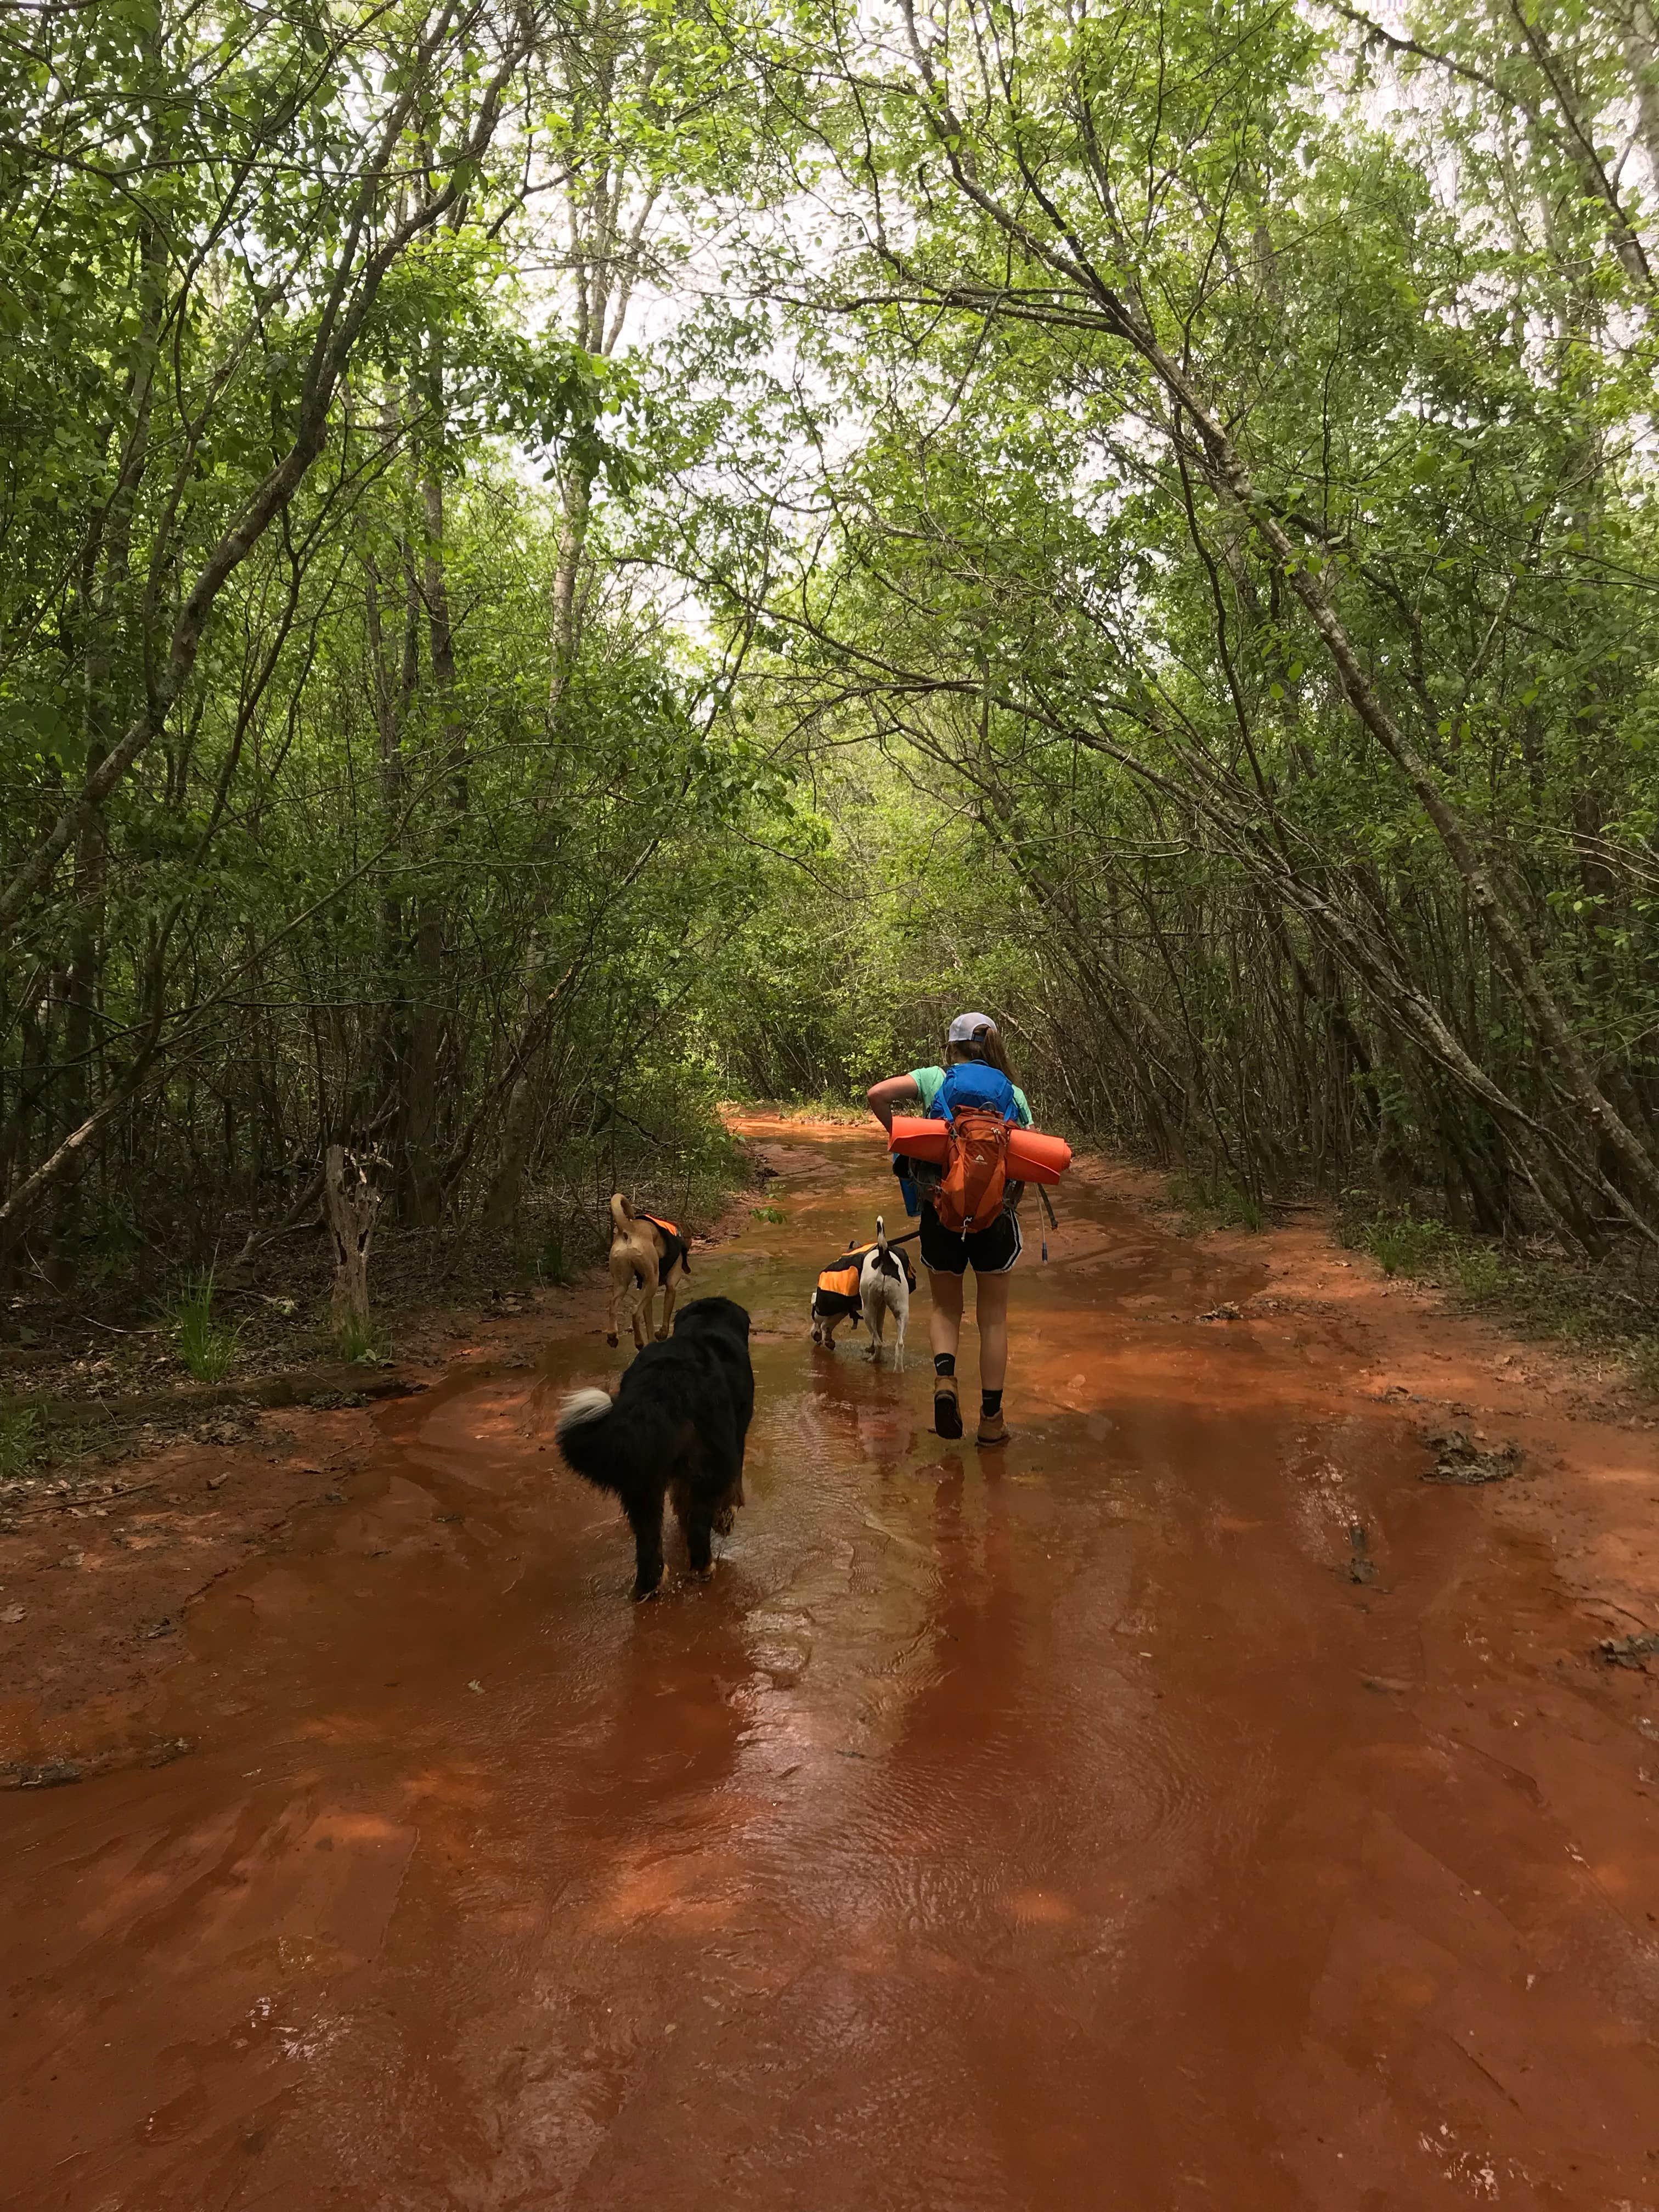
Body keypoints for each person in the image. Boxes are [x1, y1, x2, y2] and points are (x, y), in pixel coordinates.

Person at [866, 1013, 1033, 1446]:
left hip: (941, 1215)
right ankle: (992, 1422)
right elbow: (1026, 1164)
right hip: (996, 1221)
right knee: (993, 1320)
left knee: (945, 1310)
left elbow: (877, 1094)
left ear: (951, 1046)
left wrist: (903, 1138)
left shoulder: (934, 1078)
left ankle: (945, 1384)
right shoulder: (1012, 1092)